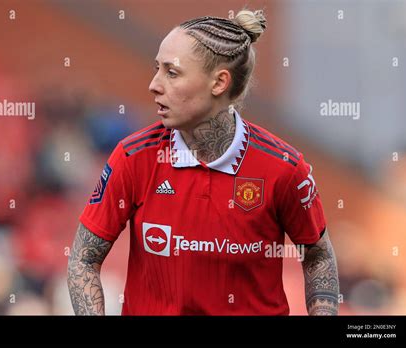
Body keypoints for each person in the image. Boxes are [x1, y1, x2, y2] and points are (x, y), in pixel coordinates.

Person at [67, 9, 339, 315]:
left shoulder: (284, 168)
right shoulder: (133, 158)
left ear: (219, 82)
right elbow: (84, 258)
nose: (154, 84)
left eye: (171, 72)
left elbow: (318, 256)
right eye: (157, 68)